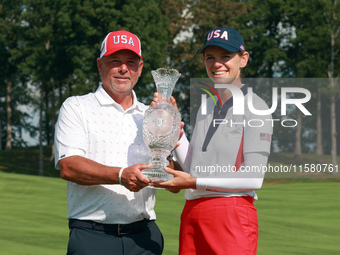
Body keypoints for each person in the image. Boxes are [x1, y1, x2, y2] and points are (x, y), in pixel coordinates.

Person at [152, 27, 273, 255]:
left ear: (243, 59)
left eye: (225, 56)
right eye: (210, 57)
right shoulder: (206, 107)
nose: (217, 64)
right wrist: (176, 135)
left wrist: (193, 182)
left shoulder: (257, 107)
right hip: (193, 211)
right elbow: (193, 168)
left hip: (232, 214)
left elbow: (253, 178)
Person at [54, 30, 164, 255]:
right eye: (115, 61)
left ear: (140, 68)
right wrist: (121, 175)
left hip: (145, 237)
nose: (124, 68)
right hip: (92, 236)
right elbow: (68, 166)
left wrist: (171, 135)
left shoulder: (150, 114)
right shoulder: (76, 107)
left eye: (131, 62)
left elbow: (167, 170)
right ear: (100, 65)